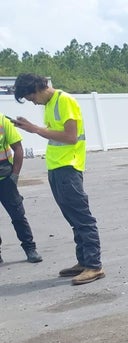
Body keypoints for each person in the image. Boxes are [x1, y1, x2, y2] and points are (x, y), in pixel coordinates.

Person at [13, 73, 104, 285]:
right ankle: (84, 262)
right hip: (57, 168)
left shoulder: (64, 101)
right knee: (73, 219)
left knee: (82, 219)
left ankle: (94, 265)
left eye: (31, 97)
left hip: (68, 167)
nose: (33, 102)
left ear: (37, 88)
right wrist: (35, 128)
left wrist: (35, 129)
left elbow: (71, 137)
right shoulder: (50, 104)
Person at [0, 112, 42, 264]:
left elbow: (18, 148)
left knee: (18, 215)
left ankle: (30, 248)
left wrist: (15, 176)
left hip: (5, 178)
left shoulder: (2, 121)